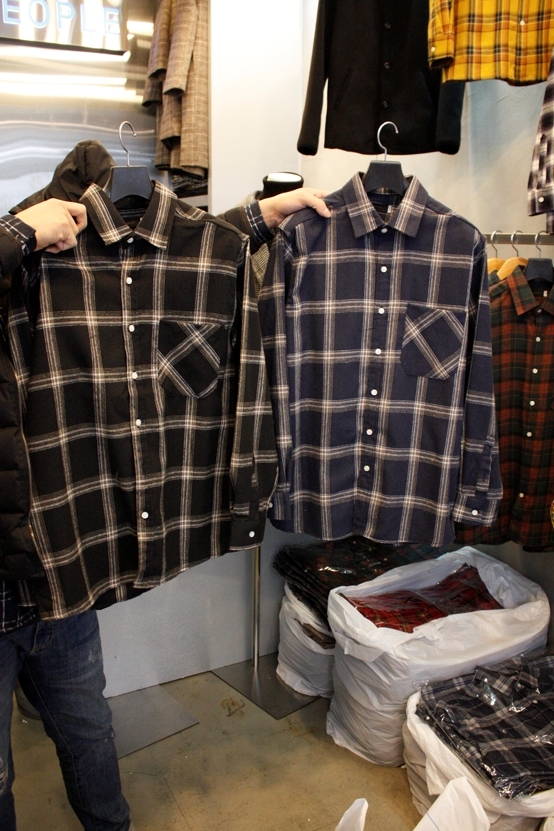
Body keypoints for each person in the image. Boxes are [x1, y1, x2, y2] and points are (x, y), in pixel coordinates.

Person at [0, 187, 329, 831]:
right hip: (23, 558)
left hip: (57, 569)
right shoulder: (29, 268)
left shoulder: (47, 256)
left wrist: (254, 221)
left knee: (88, 726)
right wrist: (16, 236)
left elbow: (165, 263)